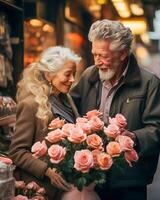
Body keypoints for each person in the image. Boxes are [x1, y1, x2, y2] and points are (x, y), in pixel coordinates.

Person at [70, 19, 160, 200]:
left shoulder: (149, 83)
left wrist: (134, 137)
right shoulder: (89, 75)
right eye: (94, 54)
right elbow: (69, 107)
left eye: (103, 56)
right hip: (91, 177)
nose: (97, 62)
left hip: (129, 181)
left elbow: (156, 129)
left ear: (123, 53)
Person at [9, 46, 81, 200]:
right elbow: (17, 152)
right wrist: (47, 171)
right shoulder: (30, 104)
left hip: (69, 185)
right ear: (49, 75)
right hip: (44, 189)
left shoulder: (66, 100)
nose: (73, 80)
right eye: (68, 74)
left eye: (74, 74)